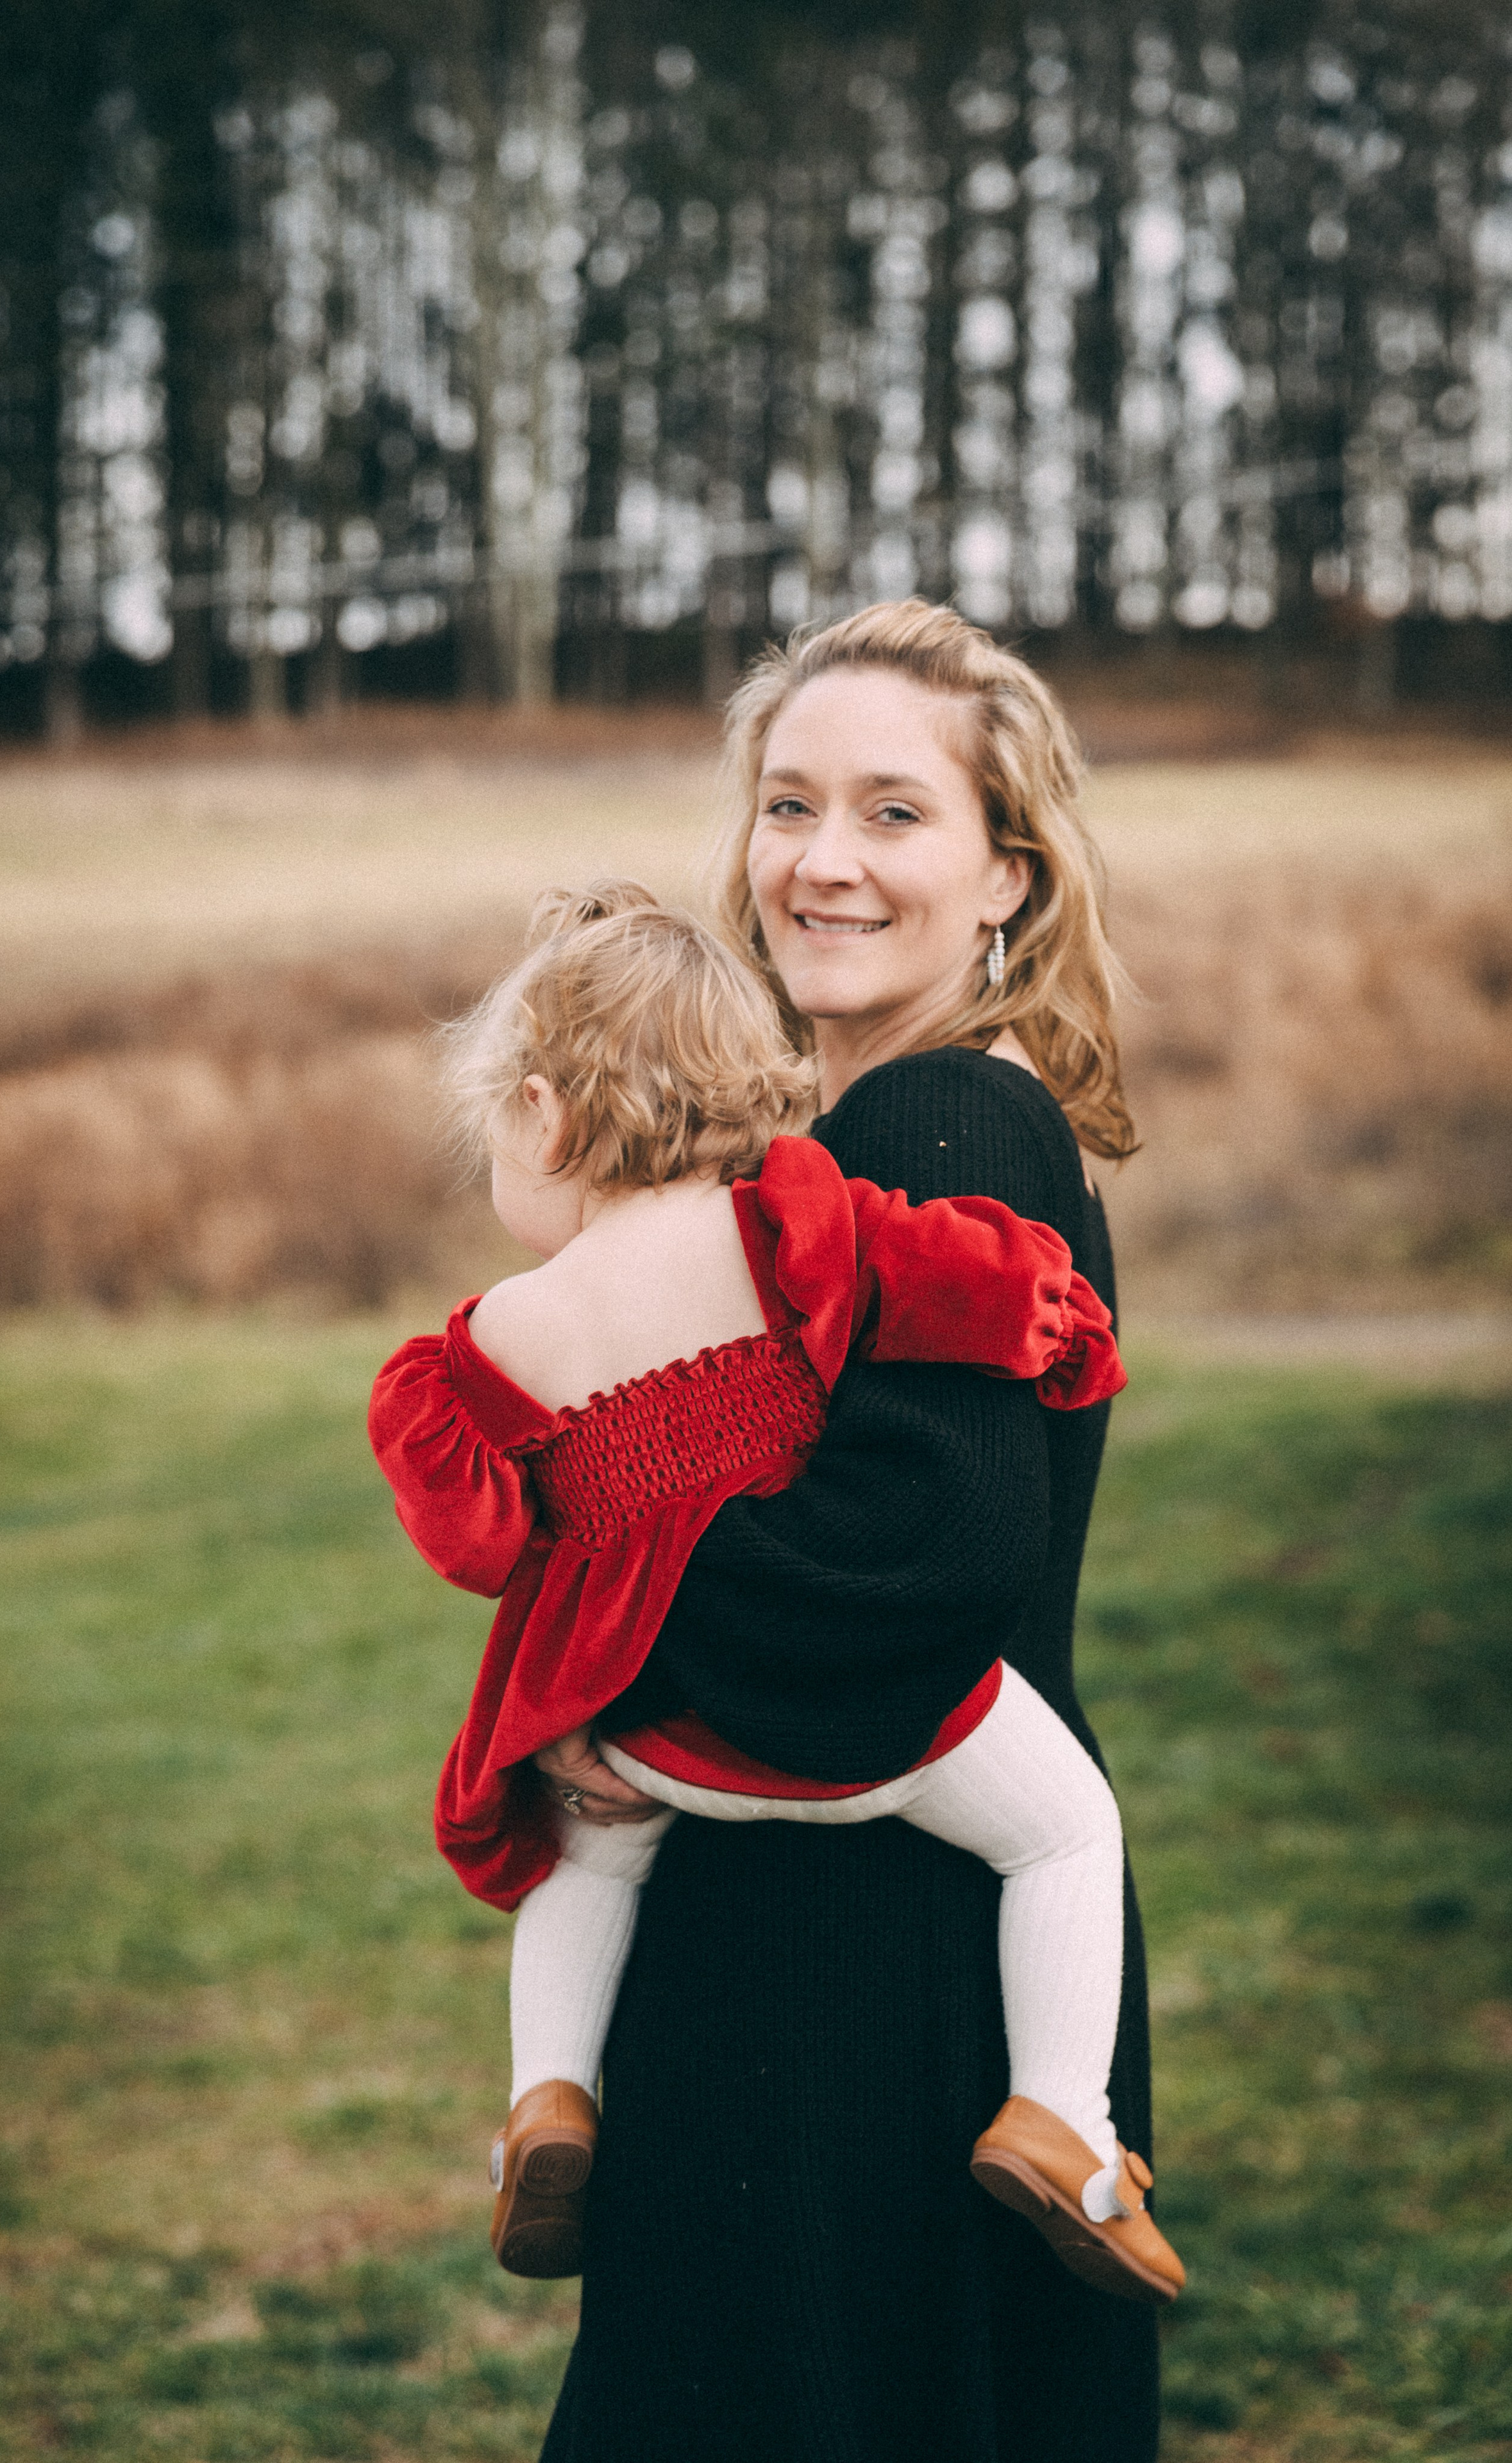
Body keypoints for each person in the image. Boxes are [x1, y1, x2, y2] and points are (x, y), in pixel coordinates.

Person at [530, 601, 1164, 2463]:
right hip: (854, 1919)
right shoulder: (833, 1148)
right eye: (788, 804)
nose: (821, 862)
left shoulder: (944, 1123)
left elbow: (914, 1568)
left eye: (895, 815)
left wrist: (597, 1623)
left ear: (1006, 880)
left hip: (869, 1975)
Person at [369, 886, 1181, 2314]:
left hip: (655, 1735)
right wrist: (1064, 1337)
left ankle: (546, 2099)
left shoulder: (474, 1348)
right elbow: (969, 1284)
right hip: (881, 1729)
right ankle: (1068, 2122)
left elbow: (476, 1541)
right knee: (1062, 1834)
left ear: (546, 1117)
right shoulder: (788, 1227)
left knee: (583, 1859)